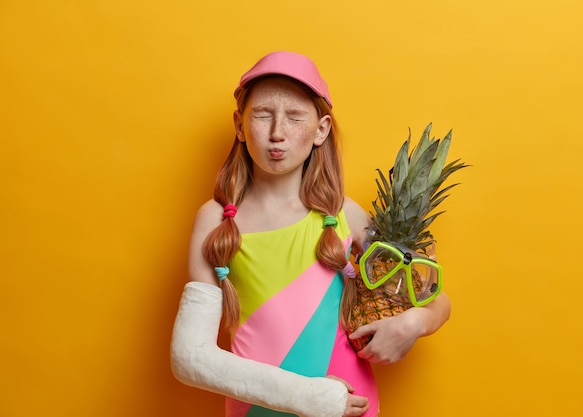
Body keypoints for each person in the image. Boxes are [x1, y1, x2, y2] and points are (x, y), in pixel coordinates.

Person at [170, 51, 451, 417]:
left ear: (321, 130)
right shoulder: (214, 221)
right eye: (262, 115)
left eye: (294, 117)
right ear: (240, 125)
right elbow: (191, 356)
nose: (277, 133)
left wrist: (415, 322)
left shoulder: (343, 214)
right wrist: (311, 397)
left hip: (351, 408)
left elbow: (436, 300)